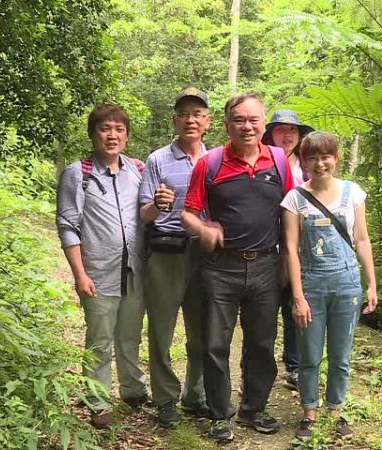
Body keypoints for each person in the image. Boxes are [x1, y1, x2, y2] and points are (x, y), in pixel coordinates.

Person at [181, 92, 294, 442]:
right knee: (216, 343)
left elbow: (291, 211)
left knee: (261, 342)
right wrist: (203, 229)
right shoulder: (210, 163)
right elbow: (188, 212)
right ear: (227, 124)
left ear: (264, 124)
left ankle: (254, 409)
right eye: (239, 120)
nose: (247, 127)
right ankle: (220, 414)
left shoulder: (277, 161)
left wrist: (291, 263)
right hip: (220, 268)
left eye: (253, 120)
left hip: (266, 266)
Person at [280, 131, 378, 441]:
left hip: (347, 284)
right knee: (309, 353)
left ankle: (336, 410)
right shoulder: (294, 198)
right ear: (304, 161)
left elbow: (362, 240)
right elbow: (291, 250)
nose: (320, 163)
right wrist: (298, 296)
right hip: (312, 285)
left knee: (341, 353)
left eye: (326, 156)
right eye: (312, 157)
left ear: (335, 158)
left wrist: (372, 282)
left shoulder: (353, 193)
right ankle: (309, 412)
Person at [56, 104, 148, 429]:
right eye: (105, 128)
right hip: (97, 273)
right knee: (99, 340)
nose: (112, 135)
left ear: (126, 135)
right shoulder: (78, 173)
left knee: (130, 336)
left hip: (135, 272)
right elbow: (68, 225)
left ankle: (134, 390)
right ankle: (98, 401)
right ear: (93, 134)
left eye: (119, 129)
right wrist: (80, 274)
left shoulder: (137, 169)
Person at [139, 88, 211, 428]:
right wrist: (159, 203)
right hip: (166, 252)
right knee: (162, 332)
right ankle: (165, 399)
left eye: (197, 113)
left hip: (204, 255)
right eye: (184, 113)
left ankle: (195, 394)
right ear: (174, 120)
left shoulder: (217, 161)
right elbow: (144, 214)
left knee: (202, 331)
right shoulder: (157, 160)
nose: (190, 119)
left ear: (208, 122)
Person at [261, 110, 314, 390]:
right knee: (266, 312)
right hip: (269, 248)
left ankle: (294, 366)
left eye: (293, 130)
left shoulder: (307, 167)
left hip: (300, 250)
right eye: (281, 130)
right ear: (270, 133)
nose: (288, 135)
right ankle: (260, 368)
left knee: (296, 308)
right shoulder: (263, 161)